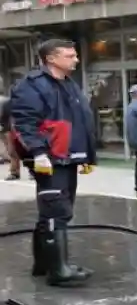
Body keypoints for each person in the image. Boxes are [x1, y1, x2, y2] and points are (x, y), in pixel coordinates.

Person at [9, 39, 96, 287]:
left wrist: (87, 155)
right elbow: (25, 122)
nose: (76, 60)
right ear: (51, 58)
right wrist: (38, 153)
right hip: (49, 157)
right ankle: (58, 271)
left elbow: (80, 121)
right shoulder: (32, 86)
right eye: (70, 56)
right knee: (56, 211)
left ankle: (45, 264)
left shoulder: (68, 84)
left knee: (56, 209)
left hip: (67, 157)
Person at [1, 94, 22, 181]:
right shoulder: (6, 103)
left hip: (19, 128)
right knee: (11, 151)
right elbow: (3, 116)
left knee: (13, 151)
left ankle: (16, 172)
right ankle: (14, 172)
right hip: (9, 129)